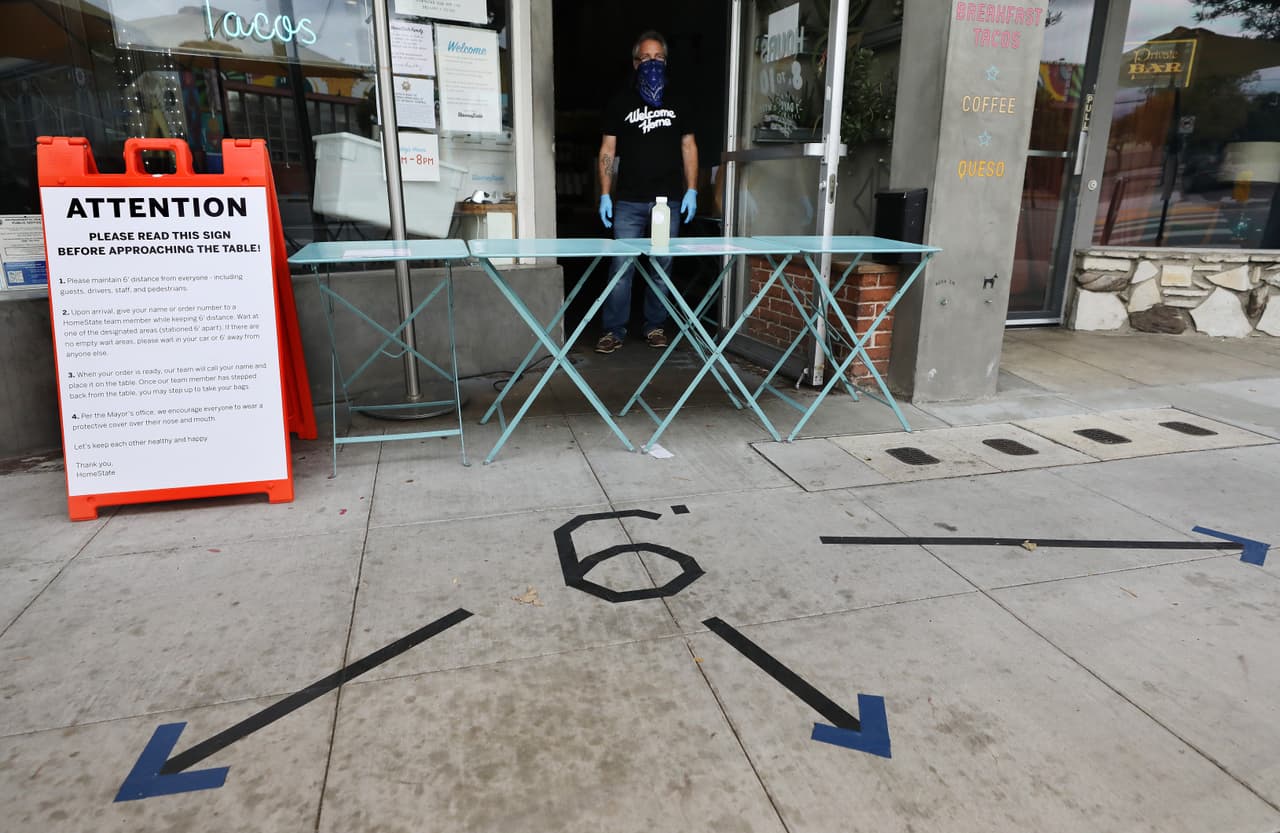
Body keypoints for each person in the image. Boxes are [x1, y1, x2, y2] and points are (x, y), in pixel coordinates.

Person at [595, 30, 699, 353]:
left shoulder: (679, 101)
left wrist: (692, 189)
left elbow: (688, 147)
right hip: (627, 200)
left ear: (666, 61)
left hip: (666, 200)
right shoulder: (620, 102)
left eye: (658, 58)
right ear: (635, 62)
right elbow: (608, 151)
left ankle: (655, 326)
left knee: (660, 266)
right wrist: (605, 193)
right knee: (621, 268)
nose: (652, 63)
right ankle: (613, 330)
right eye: (645, 58)